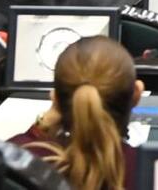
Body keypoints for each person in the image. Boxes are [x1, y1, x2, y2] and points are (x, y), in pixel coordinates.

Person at [9, 36, 142, 190]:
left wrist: (40, 127)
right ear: (137, 94)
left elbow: (16, 152)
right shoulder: (151, 170)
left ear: (55, 100)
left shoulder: (20, 162)